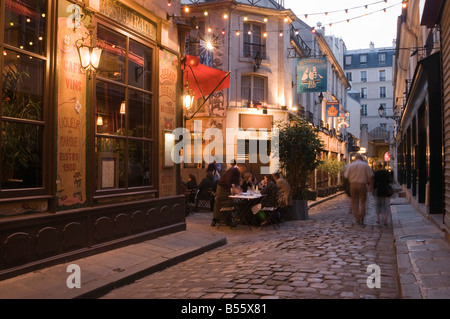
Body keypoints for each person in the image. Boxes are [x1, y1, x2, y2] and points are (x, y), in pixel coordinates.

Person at [344, 153, 373, 225]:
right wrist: (371, 185)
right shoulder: (365, 165)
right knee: (363, 202)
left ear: (355, 158)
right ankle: (362, 216)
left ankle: (357, 218)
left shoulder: (351, 165)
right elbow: (370, 176)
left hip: (353, 185)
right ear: (361, 158)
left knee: (354, 202)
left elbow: (346, 176)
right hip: (362, 184)